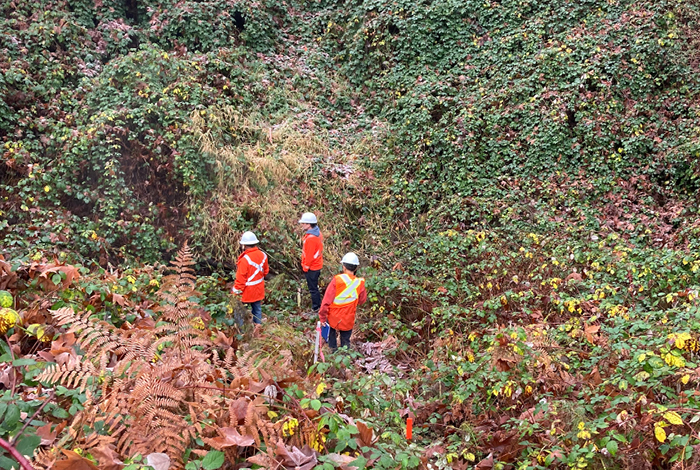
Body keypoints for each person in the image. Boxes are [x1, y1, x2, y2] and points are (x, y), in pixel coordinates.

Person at [318, 252, 366, 351]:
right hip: (348, 318)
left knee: (331, 336)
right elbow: (362, 301)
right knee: (345, 341)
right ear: (356, 268)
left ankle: (333, 352)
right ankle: (344, 359)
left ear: (343, 267)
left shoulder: (337, 280)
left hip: (333, 317)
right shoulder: (359, 282)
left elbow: (326, 301)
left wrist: (322, 317)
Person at [231, 231, 269, 326]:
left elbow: (241, 279)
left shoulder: (245, 260)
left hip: (246, 291)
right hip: (258, 289)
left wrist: (236, 292)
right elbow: (266, 271)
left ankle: (242, 331)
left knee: (239, 310)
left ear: (244, 245)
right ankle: (258, 327)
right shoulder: (263, 255)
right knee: (257, 309)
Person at [299, 212, 323, 318]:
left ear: (309, 224)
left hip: (312, 267)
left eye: (303, 223)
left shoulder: (311, 238)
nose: (302, 225)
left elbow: (309, 255)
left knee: (313, 288)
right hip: (316, 265)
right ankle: (317, 307)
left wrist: (305, 267)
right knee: (314, 287)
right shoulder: (317, 233)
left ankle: (316, 308)